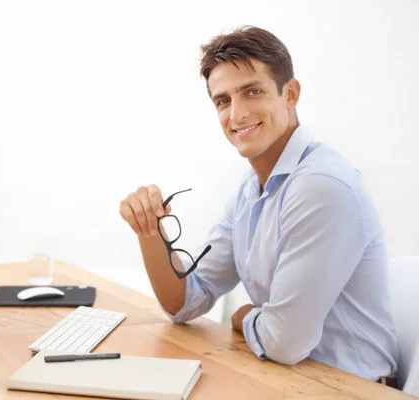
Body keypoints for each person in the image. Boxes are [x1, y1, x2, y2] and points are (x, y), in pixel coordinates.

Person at [119, 25, 398, 383]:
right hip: (285, 378)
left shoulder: (321, 187)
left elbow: (283, 344)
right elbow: (186, 302)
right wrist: (149, 229)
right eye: (223, 101)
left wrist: (242, 316)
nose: (236, 114)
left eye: (253, 92)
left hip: (346, 388)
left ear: (290, 93)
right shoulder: (250, 189)